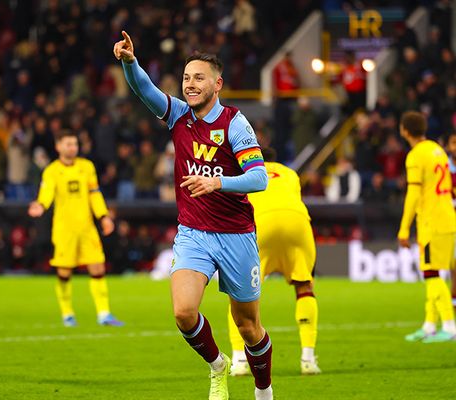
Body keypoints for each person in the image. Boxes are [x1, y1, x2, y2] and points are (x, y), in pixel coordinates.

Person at [114, 31, 273, 400]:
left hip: (236, 235)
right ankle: (217, 365)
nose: (190, 84)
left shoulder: (234, 123)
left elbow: (259, 178)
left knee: (248, 327)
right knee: (184, 313)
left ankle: (264, 391)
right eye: (186, 78)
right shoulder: (178, 116)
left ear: (217, 84)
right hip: (194, 233)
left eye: (199, 78)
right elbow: (145, 90)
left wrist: (217, 182)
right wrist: (130, 63)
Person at [227, 147, 321, 377]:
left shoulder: (243, 173)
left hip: (262, 223)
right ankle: (308, 359)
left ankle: (240, 360)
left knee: (239, 293)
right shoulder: (290, 173)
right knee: (304, 287)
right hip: (297, 222)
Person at [27, 129, 123, 327]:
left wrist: (104, 216)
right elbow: (47, 193)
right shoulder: (52, 171)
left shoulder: (86, 166)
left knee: (98, 267)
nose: (73, 148)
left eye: (75, 144)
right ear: (58, 146)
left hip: (87, 227)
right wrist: (41, 205)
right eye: (68, 144)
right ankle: (67, 314)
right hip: (64, 229)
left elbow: (94, 193)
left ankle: (104, 313)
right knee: (64, 272)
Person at [398, 111, 456, 342]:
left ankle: (449, 326)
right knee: (433, 273)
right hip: (447, 217)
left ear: (404, 131)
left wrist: (404, 228)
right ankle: (430, 324)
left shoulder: (415, 156)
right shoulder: (437, 149)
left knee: (431, 274)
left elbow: (413, 194)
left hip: (432, 221)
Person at [445, 131, 456, 309]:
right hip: (448, 219)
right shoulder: (443, 166)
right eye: (453, 143)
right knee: (452, 264)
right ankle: (453, 298)